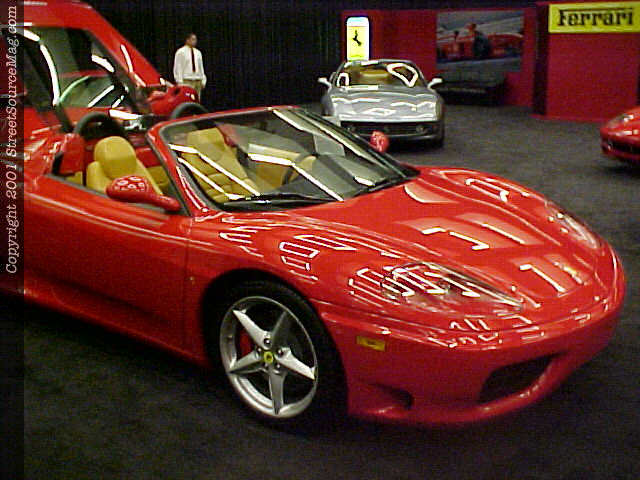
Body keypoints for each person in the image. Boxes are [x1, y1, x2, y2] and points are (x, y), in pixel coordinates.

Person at [173, 33, 207, 100]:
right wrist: (180, 82)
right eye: (193, 39)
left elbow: (201, 68)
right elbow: (178, 67)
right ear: (187, 40)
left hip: (197, 80)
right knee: (187, 99)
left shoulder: (198, 52)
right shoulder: (181, 52)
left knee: (197, 100)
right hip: (187, 80)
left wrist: (203, 80)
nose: (195, 41)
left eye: (195, 39)